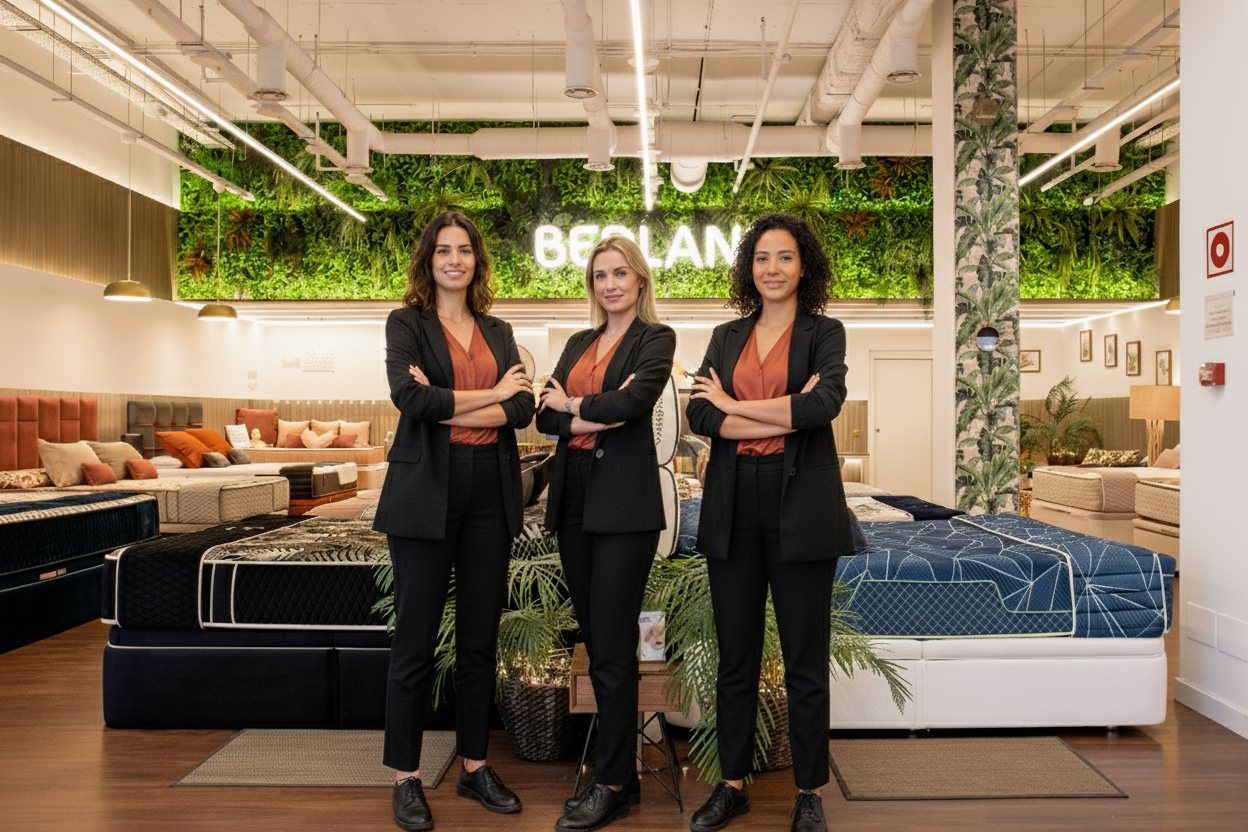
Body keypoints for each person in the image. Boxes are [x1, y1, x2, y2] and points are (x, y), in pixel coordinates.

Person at [684, 213, 852, 832]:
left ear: (803, 266)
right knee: (735, 657)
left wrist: (736, 406)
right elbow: (701, 417)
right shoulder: (727, 337)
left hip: (801, 501)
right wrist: (776, 413)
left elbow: (823, 406)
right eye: (761, 258)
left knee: (805, 657)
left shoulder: (824, 332)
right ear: (747, 269)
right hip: (733, 501)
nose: (772, 269)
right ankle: (732, 785)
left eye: (783, 258)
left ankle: (809, 791)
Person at [372, 211, 535, 832]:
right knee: (414, 640)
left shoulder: (497, 329)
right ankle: (407, 776)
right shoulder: (405, 323)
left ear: (476, 261)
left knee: (477, 642)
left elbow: (521, 408)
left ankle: (473, 767)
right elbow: (411, 401)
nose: (454, 261)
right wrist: (490, 393)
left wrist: (457, 402)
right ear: (428, 260)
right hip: (424, 492)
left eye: (464, 251)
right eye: (444, 251)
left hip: (489, 492)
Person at [536, 236, 676, 831]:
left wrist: (572, 405)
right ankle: (619, 774)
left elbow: (632, 403)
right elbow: (543, 415)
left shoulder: (656, 338)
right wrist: (578, 410)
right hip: (574, 503)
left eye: (621, 273)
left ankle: (614, 781)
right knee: (596, 642)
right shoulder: (577, 342)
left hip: (624, 505)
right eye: (600, 275)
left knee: (615, 644)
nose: (610, 284)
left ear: (640, 280)